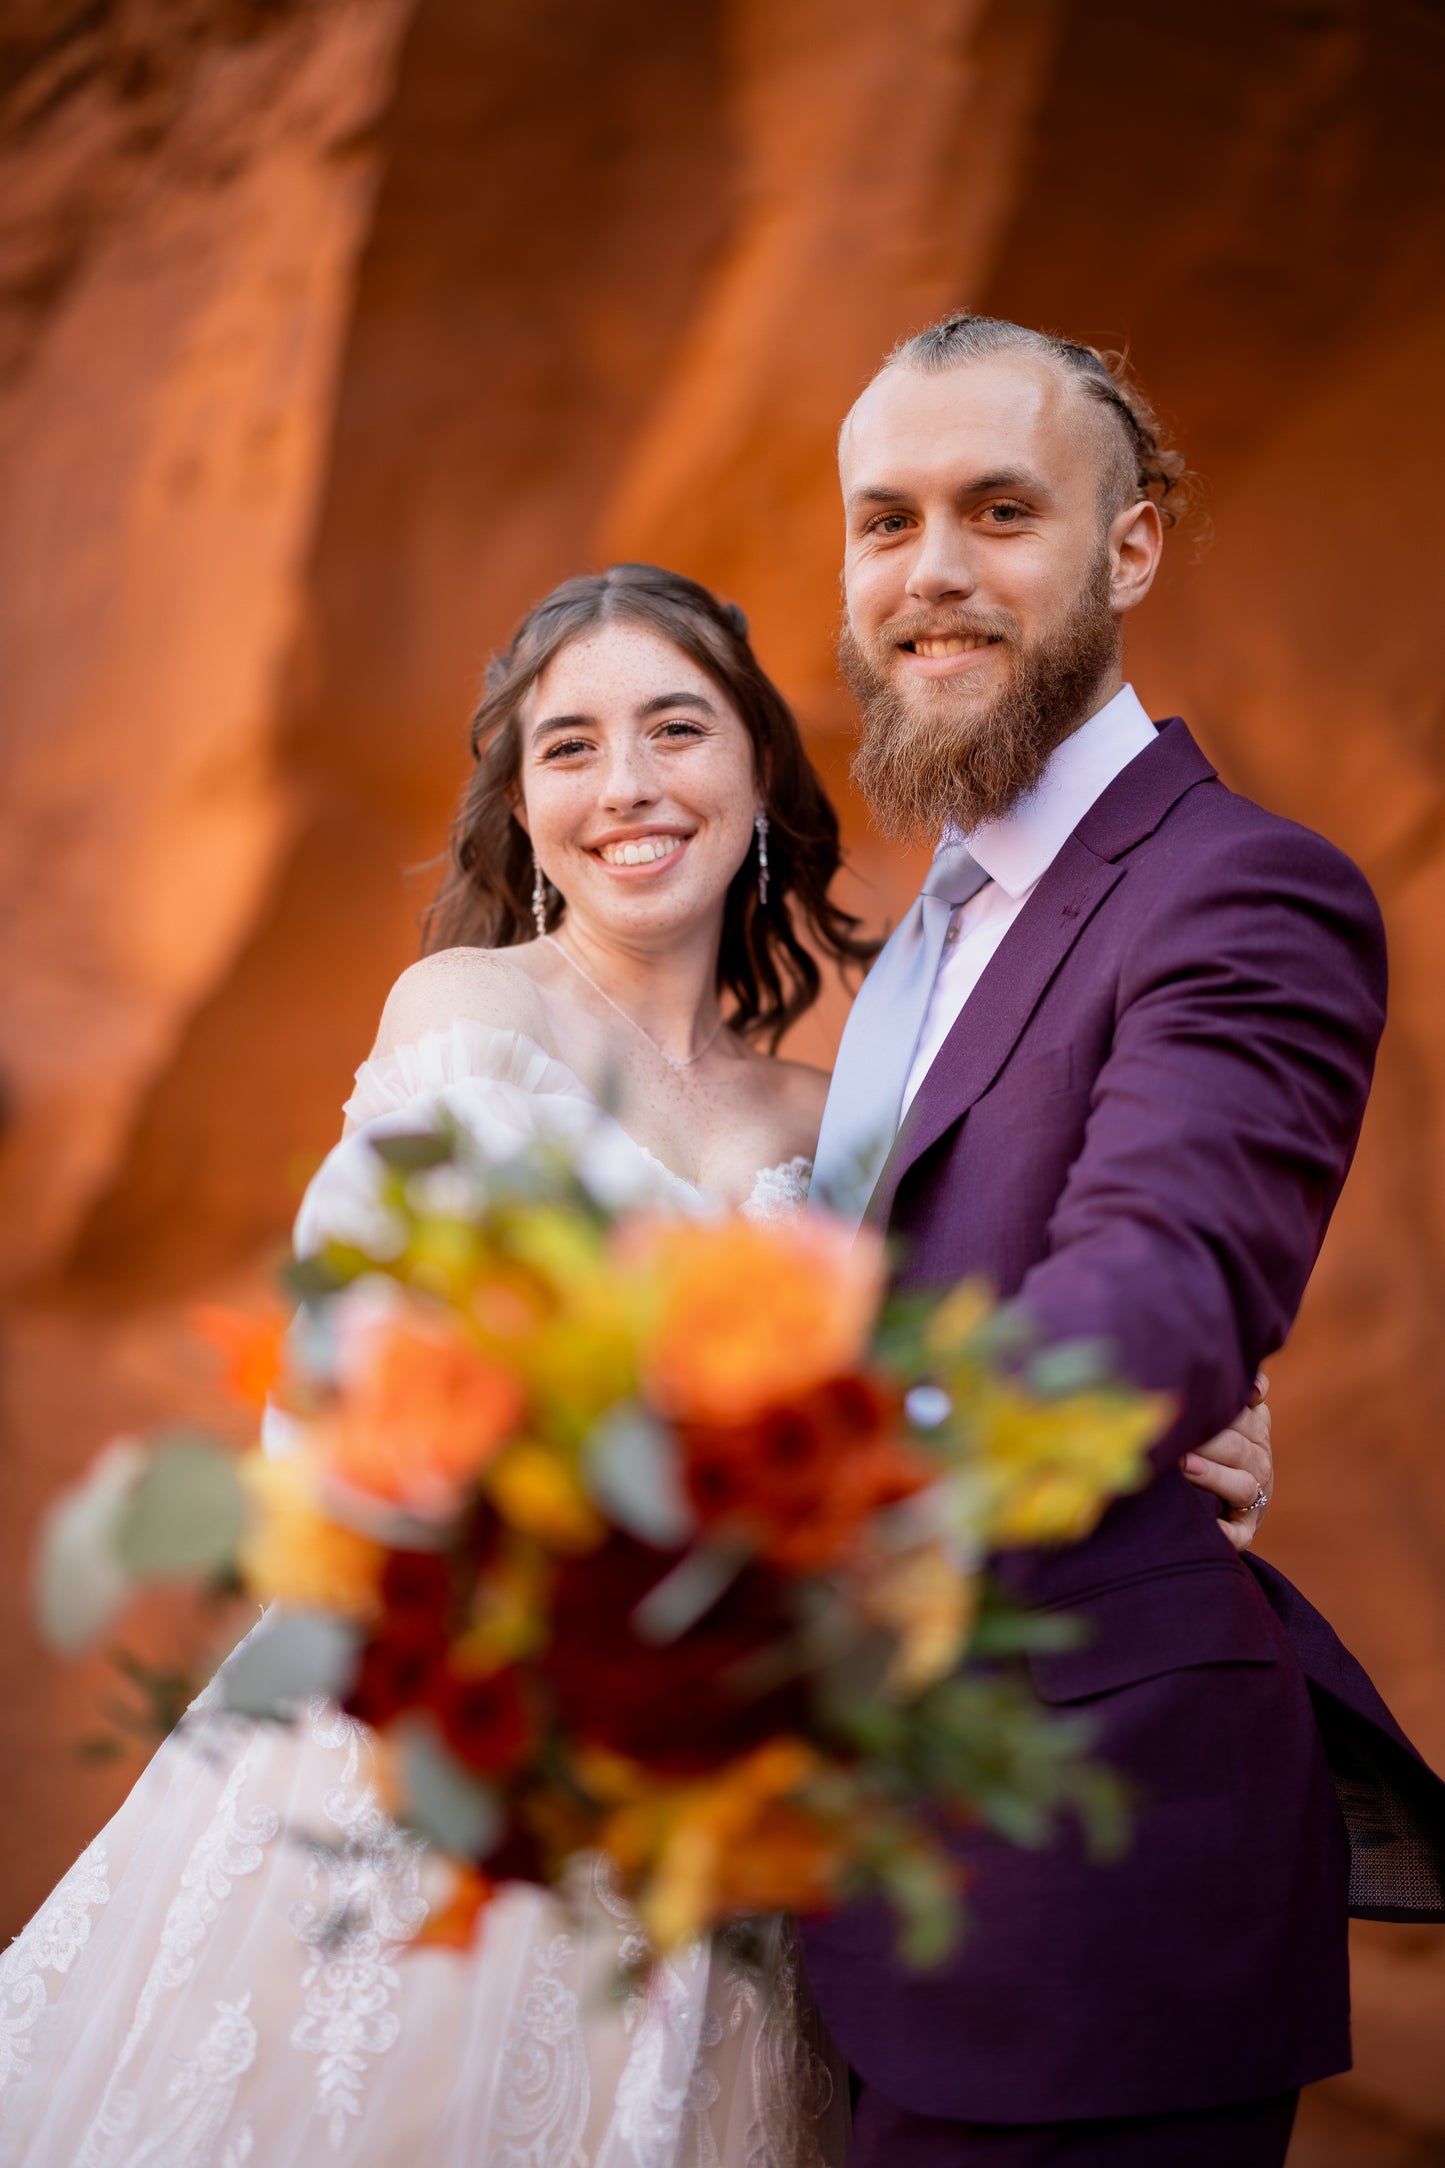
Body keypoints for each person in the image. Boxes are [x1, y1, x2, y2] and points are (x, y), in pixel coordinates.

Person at [0, 566, 1272, 2167]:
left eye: (677, 730)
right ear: (524, 812)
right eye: (570, 749)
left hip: (723, 1817)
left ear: (754, 776)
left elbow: (1006, 1358)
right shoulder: (462, 1015)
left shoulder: (842, 1126)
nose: (628, 788)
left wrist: (1205, 1422)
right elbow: (354, 1380)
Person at [797, 314, 1445, 2167]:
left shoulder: (1241, 889)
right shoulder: (921, 934)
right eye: (883, 521)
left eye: (999, 510)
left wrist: (781, 1501)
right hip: (842, 1870)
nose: (929, 573)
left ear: (1129, 545)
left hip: (1073, 1896)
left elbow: (1153, 1287)